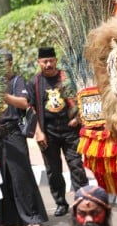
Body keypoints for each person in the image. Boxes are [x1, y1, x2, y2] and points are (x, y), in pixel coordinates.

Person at [0, 52, 48, 226]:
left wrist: (5, 96)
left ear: (10, 64)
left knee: (20, 177)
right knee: (0, 178)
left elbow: (24, 103)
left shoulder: (18, 81)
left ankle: (33, 216)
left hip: (14, 133)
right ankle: (6, 217)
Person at [27, 46, 89, 217]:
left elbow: (81, 97)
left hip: (70, 130)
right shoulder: (34, 82)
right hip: (48, 133)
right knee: (53, 171)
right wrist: (38, 132)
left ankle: (82, 201)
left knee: (76, 166)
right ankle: (61, 203)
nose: (48, 64)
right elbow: (30, 109)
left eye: (51, 61)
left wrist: (78, 118)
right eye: (45, 61)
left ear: (56, 60)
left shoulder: (67, 77)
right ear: (39, 63)